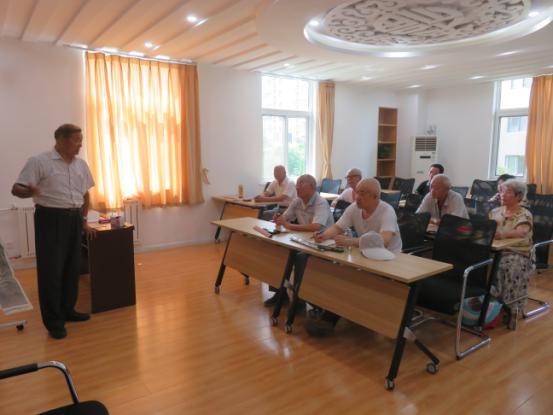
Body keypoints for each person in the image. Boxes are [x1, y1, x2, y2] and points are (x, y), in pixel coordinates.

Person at [12, 124, 96, 340]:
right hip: (50, 219)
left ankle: (68, 310)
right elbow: (16, 188)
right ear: (60, 140)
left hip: (74, 219)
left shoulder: (81, 165)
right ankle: (54, 321)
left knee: (72, 268)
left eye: (81, 140)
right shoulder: (39, 161)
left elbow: (85, 194)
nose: (80, 144)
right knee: (51, 272)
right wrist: (29, 191)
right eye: (76, 140)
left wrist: (84, 220)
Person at [303, 178, 402, 337]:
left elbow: (384, 241)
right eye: (357, 192)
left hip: (389, 258)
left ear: (375, 196)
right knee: (340, 274)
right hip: (366, 254)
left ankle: (328, 320)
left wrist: (353, 242)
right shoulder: (354, 208)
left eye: (362, 193)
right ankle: (328, 315)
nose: (357, 197)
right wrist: (324, 235)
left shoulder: (387, 211)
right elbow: (338, 227)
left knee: (350, 278)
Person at [263, 174, 334, 306]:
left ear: (312, 187)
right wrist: (279, 218)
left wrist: (289, 225)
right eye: (297, 183)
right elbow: (285, 218)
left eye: (301, 183)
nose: (297, 186)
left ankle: (299, 299)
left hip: (323, 242)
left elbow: (316, 226)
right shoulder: (297, 201)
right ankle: (280, 293)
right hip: (305, 240)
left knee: (300, 257)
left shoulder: (321, 202)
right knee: (277, 250)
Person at [488, 179, 534, 328]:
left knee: (507, 266)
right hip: (495, 250)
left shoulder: (524, 214)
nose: (502, 194)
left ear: (518, 196)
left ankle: (512, 309)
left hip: (517, 252)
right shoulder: (495, 212)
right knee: (479, 263)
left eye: (507, 192)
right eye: (501, 191)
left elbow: (522, 232)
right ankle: (487, 304)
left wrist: (503, 234)